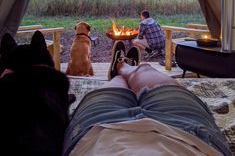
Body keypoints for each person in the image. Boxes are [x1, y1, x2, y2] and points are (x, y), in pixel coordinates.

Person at [63, 41, 232, 156]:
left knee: (117, 83)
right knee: (146, 71)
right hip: (190, 135)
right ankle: (130, 68)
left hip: (96, 134)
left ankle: (120, 71)